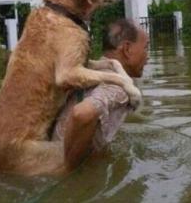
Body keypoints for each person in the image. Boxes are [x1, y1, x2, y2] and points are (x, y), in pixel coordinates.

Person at [51, 19, 149, 170]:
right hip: (58, 172)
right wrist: (71, 171)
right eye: (146, 48)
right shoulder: (117, 87)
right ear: (127, 49)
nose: (148, 56)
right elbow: (82, 114)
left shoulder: (86, 73)